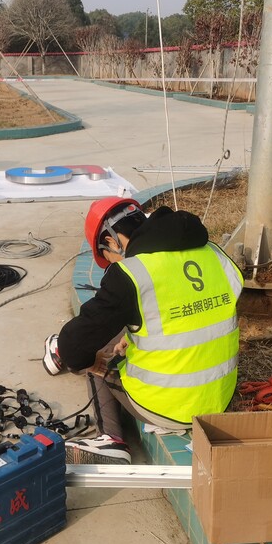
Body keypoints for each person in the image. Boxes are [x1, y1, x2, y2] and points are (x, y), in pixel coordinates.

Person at [43, 197, 244, 465]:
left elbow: (74, 345)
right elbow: (191, 316)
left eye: (108, 257)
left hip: (168, 408)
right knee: (126, 325)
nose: (113, 264)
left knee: (96, 355)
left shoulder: (131, 274)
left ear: (112, 241)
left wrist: (87, 361)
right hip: (219, 399)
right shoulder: (214, 254)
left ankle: (110, 439)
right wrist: (132, 337)